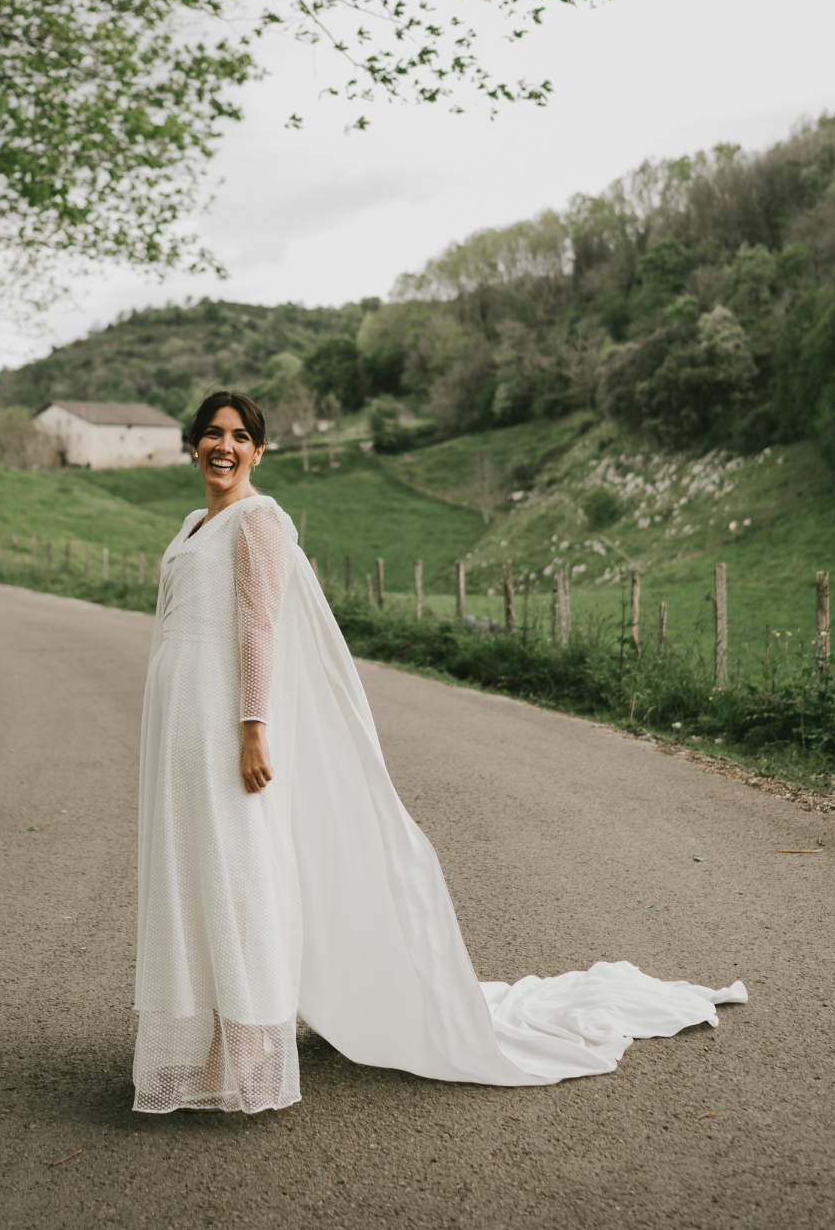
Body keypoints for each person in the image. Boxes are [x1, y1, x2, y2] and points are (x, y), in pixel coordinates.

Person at [132, 391, 743, 1115]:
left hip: (229, 727)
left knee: (241, 877)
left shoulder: (260, 522)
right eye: (211, 434)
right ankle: (214, 1029)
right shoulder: (191, 525)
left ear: (260, 452)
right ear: (193, 446)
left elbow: (259, 630)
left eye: (239, 436)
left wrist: (254, 727)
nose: (223, 446)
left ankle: (253, 1037)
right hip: (182, 728)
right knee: (199, 873)